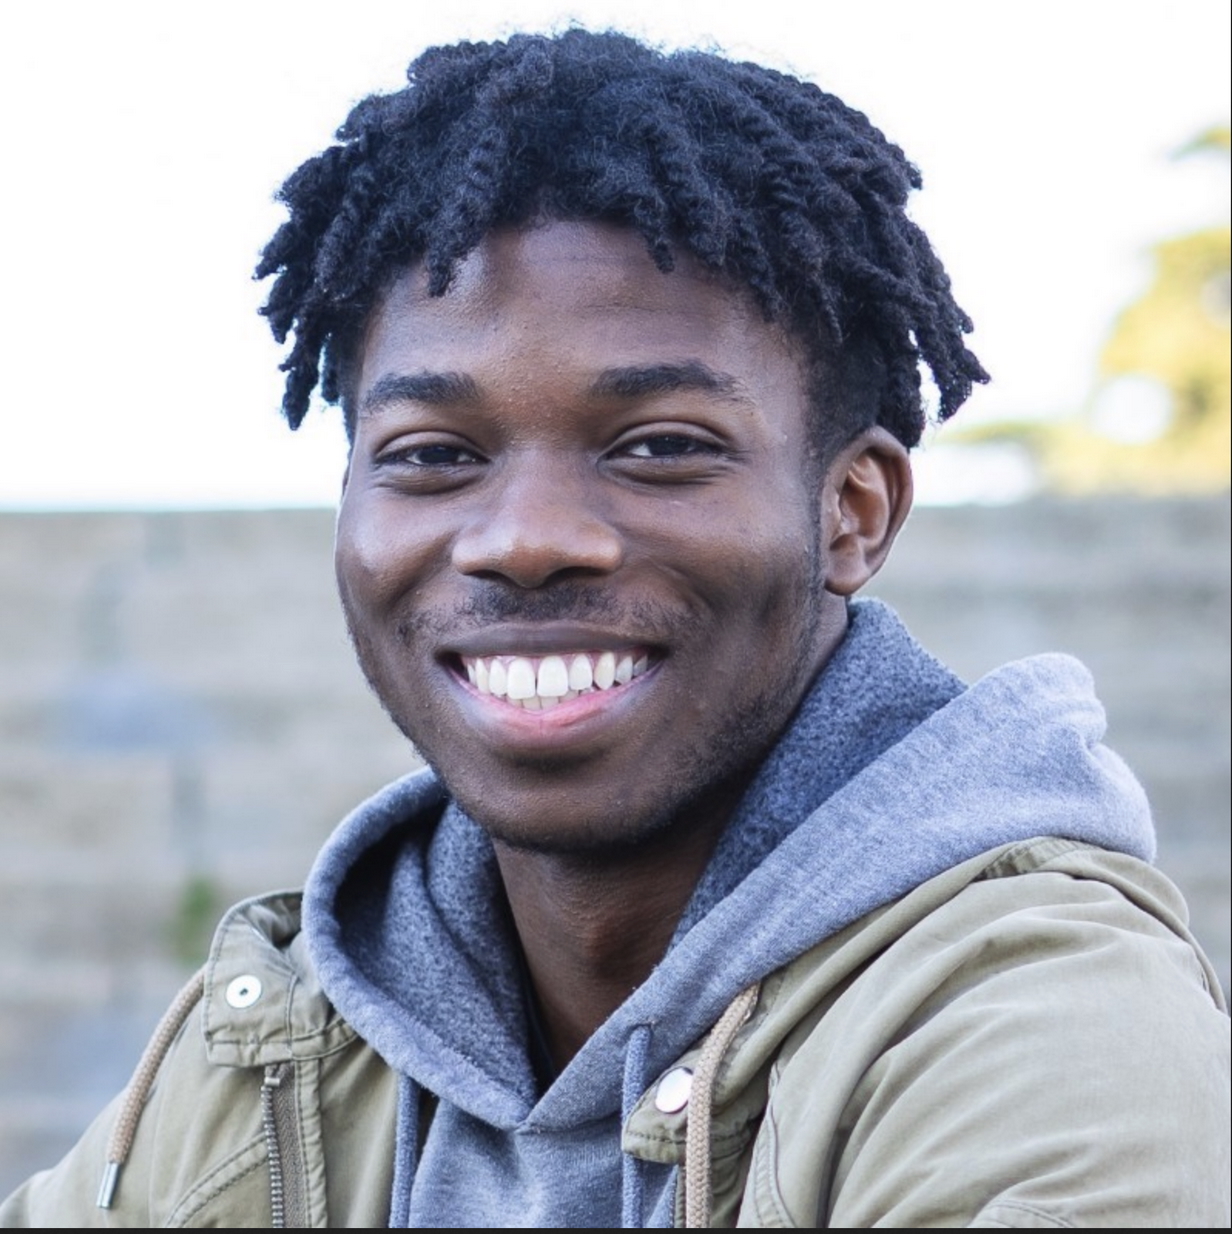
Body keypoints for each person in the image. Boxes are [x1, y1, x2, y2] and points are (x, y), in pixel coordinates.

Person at [3, 29, 1228, 1229]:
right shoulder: (279, 1047)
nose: (524, 537)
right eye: (433, 456)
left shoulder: (1044, 1032)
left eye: (659, 448)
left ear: (851, 512)